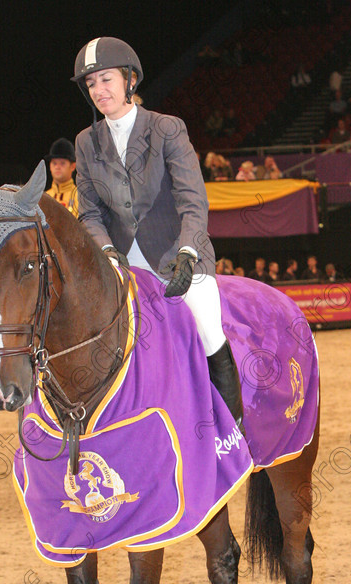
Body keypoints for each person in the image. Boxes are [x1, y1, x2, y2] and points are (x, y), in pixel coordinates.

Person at [71, 36, 244, 430]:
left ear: (130, 80)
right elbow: (90, 213)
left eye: (107, 79)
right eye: (92, 84)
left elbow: (192, 201)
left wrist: (188, 252)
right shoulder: (86, 142)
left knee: (207, 328)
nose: (100, 90)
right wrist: (109, 252)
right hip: (118, 262)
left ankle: (230, 432)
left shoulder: (166, 128)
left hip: (175, 254)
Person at [44, 138, 78, 217]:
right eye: (54, 163)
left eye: (62, 163)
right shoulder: (44, 197)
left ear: (73, 166)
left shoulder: (80, 197)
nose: (57, 167)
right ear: (50, 166)